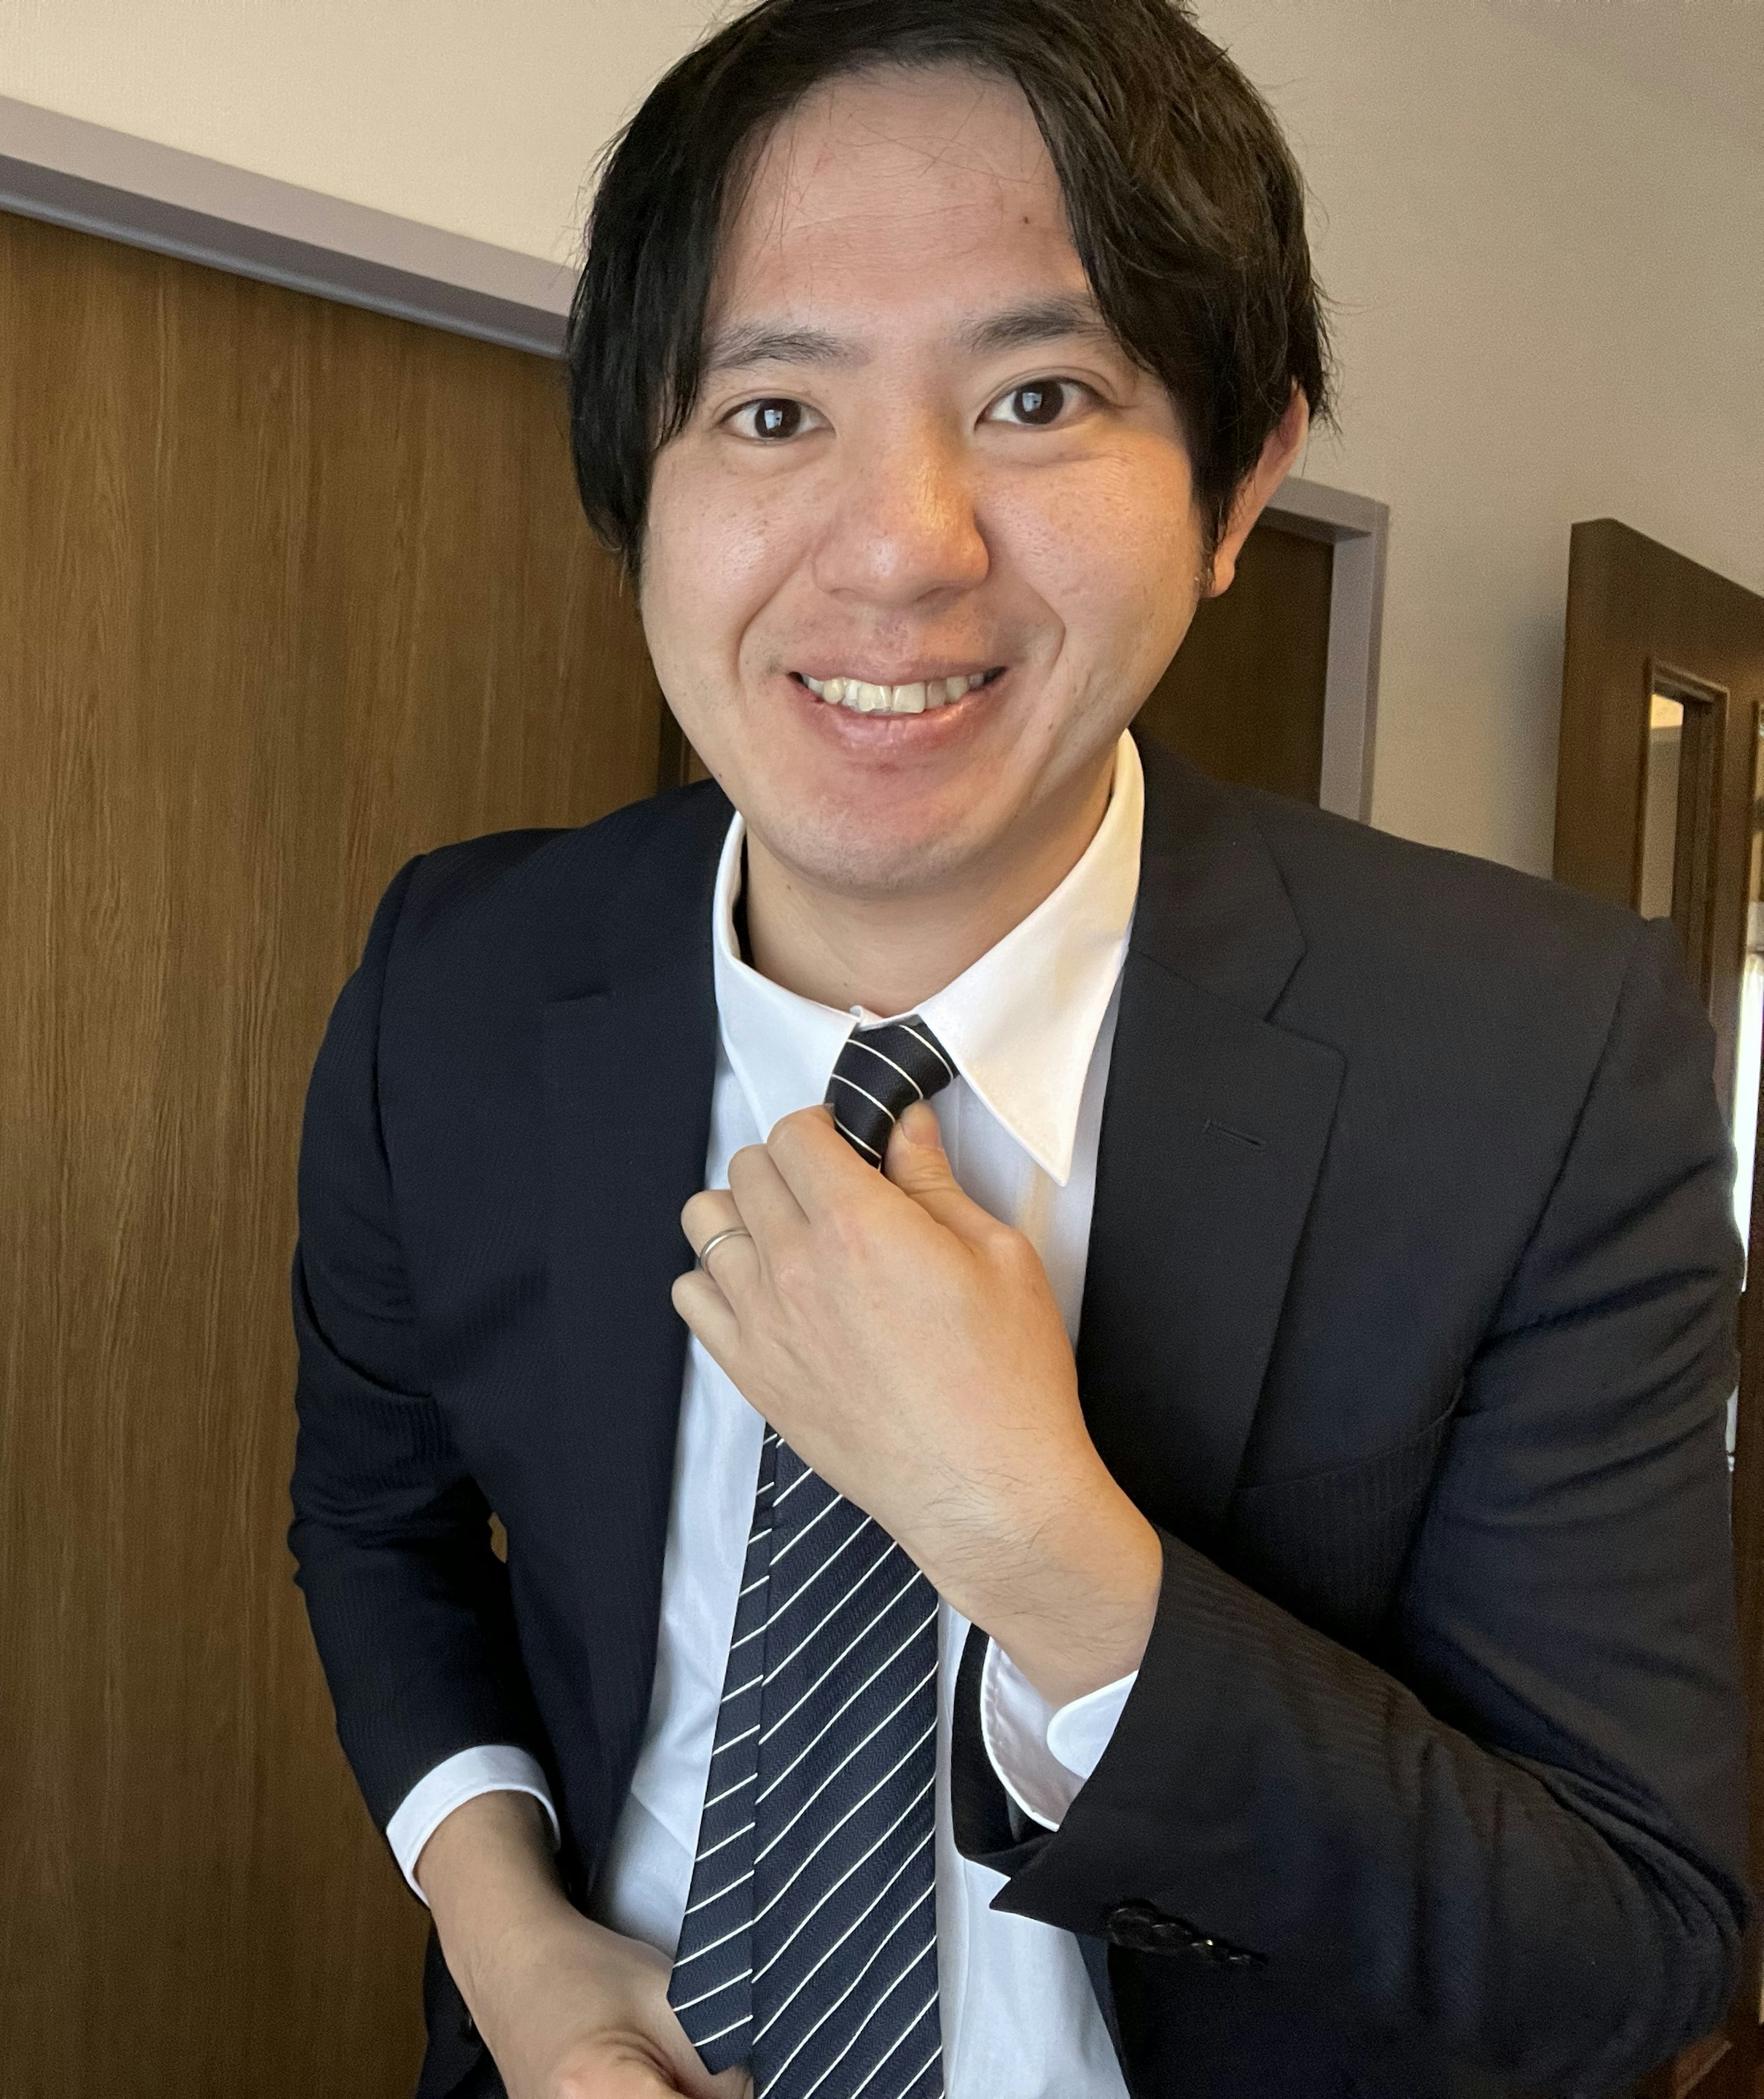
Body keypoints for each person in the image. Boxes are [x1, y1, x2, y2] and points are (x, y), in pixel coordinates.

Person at [284, 1, 1751, 2094]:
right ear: (639, 482)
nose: (899, 547)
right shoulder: (461, 972)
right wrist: (512, 1942)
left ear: (1242, 483)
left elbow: (1634, 1953)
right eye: (772, 412)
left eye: (1040, 395)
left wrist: (1049, 1555)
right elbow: (376, 1526)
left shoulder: (1536, 1062)